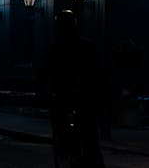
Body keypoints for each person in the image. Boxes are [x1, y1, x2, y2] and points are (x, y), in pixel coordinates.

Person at [38, 10, 105, 167]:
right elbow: (99, 74)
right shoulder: (86, 46)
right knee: (90, 139)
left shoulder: (54, 49)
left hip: (68, 97)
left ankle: (67, 151)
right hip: (82, 98)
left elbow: (43, 75)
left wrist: (44, 93)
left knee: (69, 132)